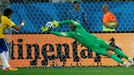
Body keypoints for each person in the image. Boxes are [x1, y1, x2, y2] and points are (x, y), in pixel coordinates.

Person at [41, 20, 134, 67]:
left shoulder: (79, 27)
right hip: (95, 47)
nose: (70, 25)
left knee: (113, 48)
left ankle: (129, 59)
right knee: (109, 54)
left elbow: (69, 20)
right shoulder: (72, 34)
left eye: (71, 25)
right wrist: (50, 31)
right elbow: (60, 34)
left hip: (98, 41)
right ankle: (124, 63)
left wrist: (59, 23)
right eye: (70, 25)